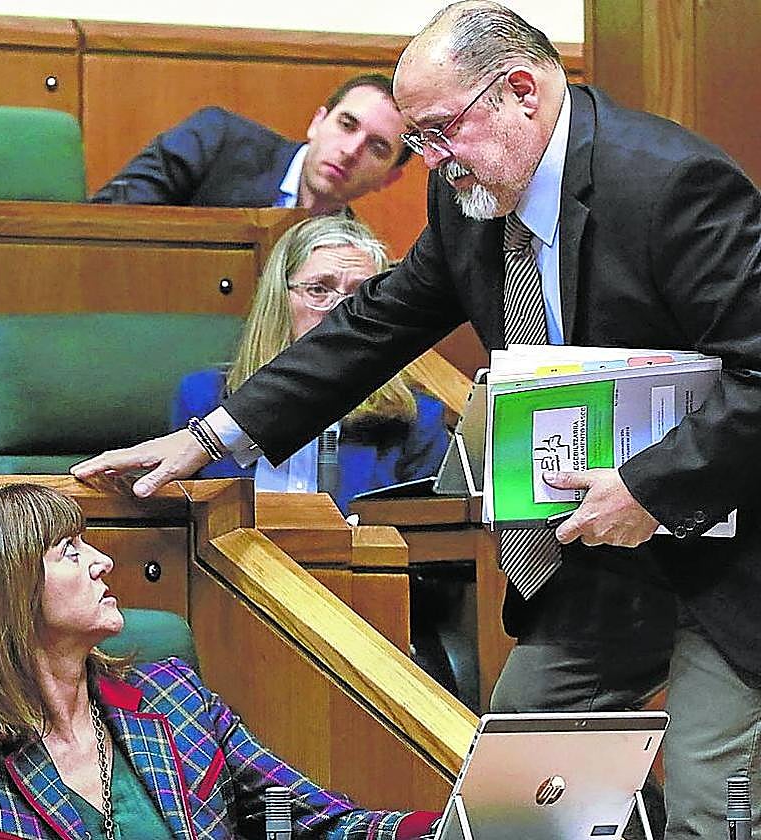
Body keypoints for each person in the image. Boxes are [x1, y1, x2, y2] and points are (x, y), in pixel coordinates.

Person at [73, 3, 761, 839]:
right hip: (603, 557)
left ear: (520, 92)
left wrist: (648, 486)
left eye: (440, 133)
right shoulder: (467, 195)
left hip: (733, 562)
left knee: (706, 805)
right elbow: (373, 327)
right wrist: (207, 437)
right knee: (521, 803)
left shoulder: (669, 183)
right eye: (421, 139)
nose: (431, 163)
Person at [0, 483, 438, 840]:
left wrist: (455, 829)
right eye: (69, 550)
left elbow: (310, 820)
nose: (103, 561)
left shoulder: (175, 695)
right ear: (2, 591)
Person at [173, 214, 448, 512]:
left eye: (363, 297)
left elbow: (426, 544)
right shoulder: (203, 400)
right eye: (319, 289)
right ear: (279, 299)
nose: (341, 312)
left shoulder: (417, 421)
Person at [89, 74, 411, 214]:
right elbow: (111, 220)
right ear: (317, 122)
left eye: (377, 148)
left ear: (389, 178)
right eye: (346, 124)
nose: (351, 150)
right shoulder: (216, 139)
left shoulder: (351, 256)